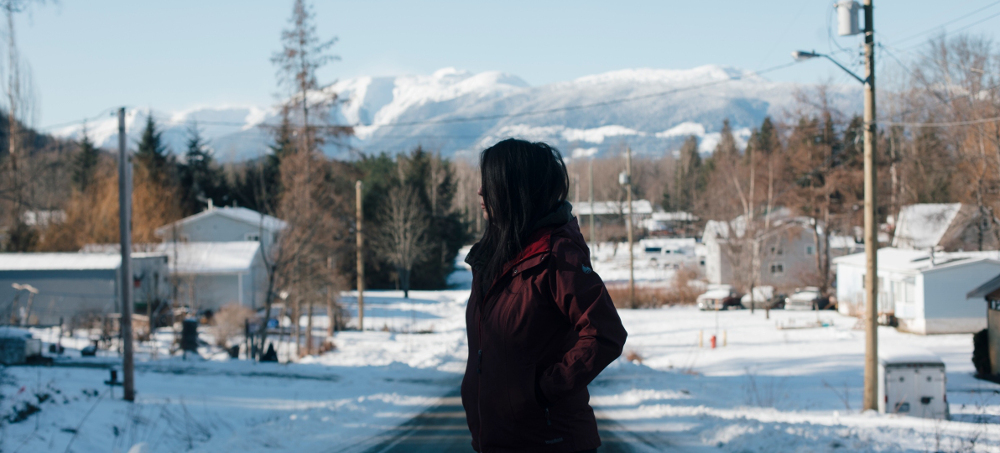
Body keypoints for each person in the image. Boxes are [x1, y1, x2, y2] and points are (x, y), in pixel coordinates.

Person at [461, 138, 628, 452]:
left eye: (491, 182)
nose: (481, 191)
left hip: (550, 443)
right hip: (495, 440)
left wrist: (542, 391)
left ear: (517, 189)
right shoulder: (490, 258)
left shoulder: (557, 255)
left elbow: (604, 333)